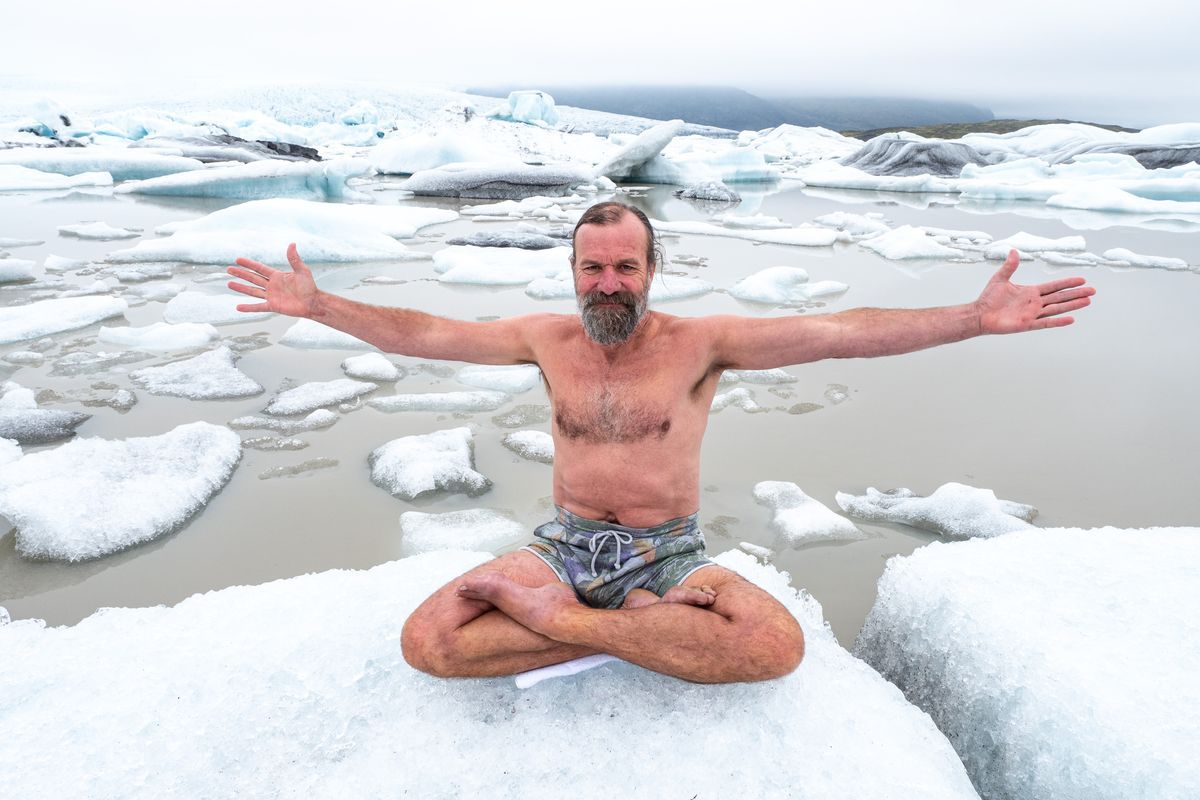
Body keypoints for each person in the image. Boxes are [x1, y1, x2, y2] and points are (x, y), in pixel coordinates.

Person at [227, 201, 1094, 684]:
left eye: (625, 267)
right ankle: (628, 628)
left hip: (667, 553)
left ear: (651, 271)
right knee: (429, 643)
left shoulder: (703, 343)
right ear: (572, 273)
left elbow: (839, 329)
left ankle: (569, 622)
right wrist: (322, 307)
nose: (608, 283)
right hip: (562, 544)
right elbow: (428, 331)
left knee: (773, 647)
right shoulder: (543, 339)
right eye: (592, 268)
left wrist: (973, 320)